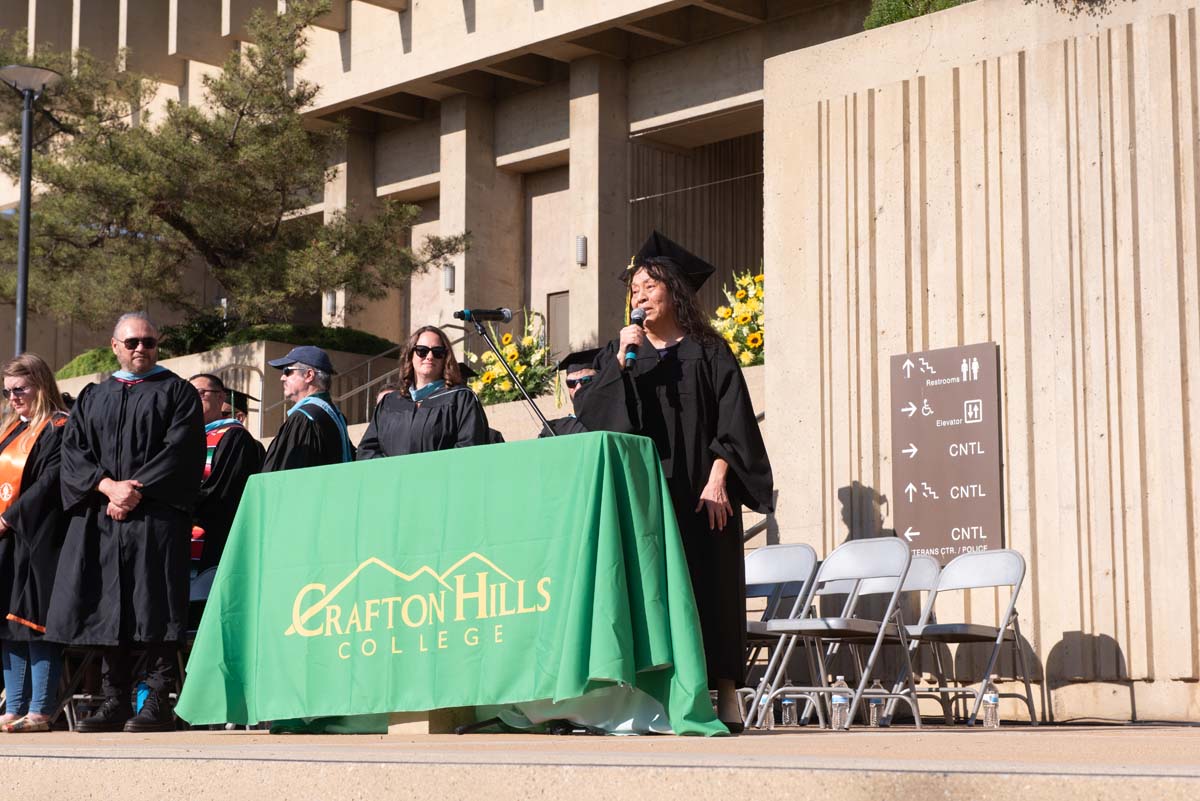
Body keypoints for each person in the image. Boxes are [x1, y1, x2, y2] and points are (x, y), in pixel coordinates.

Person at [579, 232, 774, 731]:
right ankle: (655, 697)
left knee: (711, 585)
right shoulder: (622, 353)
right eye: (634, 289)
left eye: (649, 286)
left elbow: (734, 421)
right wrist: (621, 364)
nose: (639, 296)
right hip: (648, 495)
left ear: (676, 292)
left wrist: (718, 480)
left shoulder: (710, 351)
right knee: (653, 591)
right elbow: (593, 418)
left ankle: (726, 692)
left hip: (701, 491)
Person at [46, 312, 205, 733]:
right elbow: (74, 452)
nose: (141, 349)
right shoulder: (93, 397)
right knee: (107, 606)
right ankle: (112, 698)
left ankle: (157, 699)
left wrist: (133, 490)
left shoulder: (178, 393)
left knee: (154, 604)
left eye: (149, 343)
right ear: (114, 346)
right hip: (102, 517)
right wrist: (106, 487)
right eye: (132, 342)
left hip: (155, 519)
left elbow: (181, 452)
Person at [0, 354, 69, 733]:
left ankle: (40, 709)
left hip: (39, 539)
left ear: (40, 385)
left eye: (20, 389)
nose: (13, 397)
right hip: (8, 541)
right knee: (6, 624)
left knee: (35, 623)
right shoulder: (10, 430)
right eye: (8, 391)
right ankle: (14, 706)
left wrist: (9, 516)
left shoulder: (59, 427)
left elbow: (51, 482)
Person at [357, 326, 490, 458]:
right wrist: (392, 474)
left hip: (441, 478)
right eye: (422, 351)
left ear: (445, 358)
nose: (430, 356)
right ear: (410, 355)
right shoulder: (389, 402)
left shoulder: (461, 398)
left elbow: (469, 449)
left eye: (438, 352)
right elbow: (367, 451)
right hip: (393, 479)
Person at [188, 374, 264, 573]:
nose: (194, 399)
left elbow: (220, 493)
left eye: (201, 393)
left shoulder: (233, 437)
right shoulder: (189, 437)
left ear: (221, 398)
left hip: (213, 541)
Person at [261, 346, 353, 472]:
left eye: (287, 371)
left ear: (309, 375)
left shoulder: (305, 417)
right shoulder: (333, 414)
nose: (282, 377)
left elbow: (289, 472)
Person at [539, 349, 600, 437]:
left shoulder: (615, 422)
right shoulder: (555, 430)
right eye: (571, 383)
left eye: (586, 380)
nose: (578, 387)